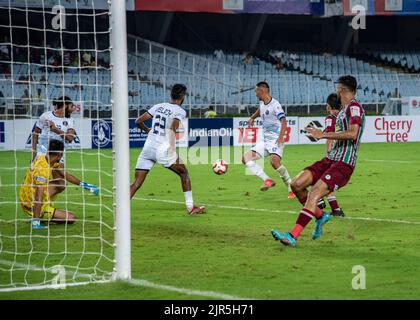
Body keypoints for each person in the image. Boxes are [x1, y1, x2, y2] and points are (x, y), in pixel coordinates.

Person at [271, 75, 365, 246]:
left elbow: (353, 134)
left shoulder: (355, 107)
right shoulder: (343, 110)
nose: (336, 90)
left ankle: (292, 236)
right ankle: (321, 217)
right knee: (296, 185)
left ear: (342, 89)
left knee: (314, 193)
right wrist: (323, 132)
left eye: (338, 87)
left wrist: (323, 134)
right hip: (330, 160)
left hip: (343, 164)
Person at [130, 84, 205, 215]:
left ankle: (120, 208)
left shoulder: (158, 106)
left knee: (136, 182)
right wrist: (171, 146)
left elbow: (138, 121)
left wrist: (147, 130)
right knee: (184, 173)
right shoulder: (180, 111)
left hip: (148, 148)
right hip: (162, 148)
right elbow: (173, 127)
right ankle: (190, 207)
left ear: (171, 95)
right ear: (183, 97)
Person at [31, 96, 99, 196]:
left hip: (58, 154)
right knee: (46, 178)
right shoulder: (45, 116)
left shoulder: (70, 121)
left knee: (60, 184)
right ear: (65, 106)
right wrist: (34, 153)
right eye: (72, 106)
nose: (73, 109)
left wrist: (55, 129)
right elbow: (35, 134)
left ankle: (39, 199)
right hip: (43, 153)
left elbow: (70, 138)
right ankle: (37, 200)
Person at [242, 81, 295, 198]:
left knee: (274, 162)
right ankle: (267, 180)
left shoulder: (275, 105)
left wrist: (281, 137)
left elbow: (284, 121)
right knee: (245, 158)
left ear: (263, 91)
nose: (256, 94)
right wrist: (252, 118)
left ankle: (291, 187)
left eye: (257, 91)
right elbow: (260, 110)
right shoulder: (262, 102)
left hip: (276, 140)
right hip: (265, 141)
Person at [19, 139, 76, 229]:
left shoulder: (45, 158)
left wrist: (83, 184)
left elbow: (64, 174)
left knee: (61, 183)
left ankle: (43, 213)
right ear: (59, 155)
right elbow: (38, 196)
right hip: (30, 204)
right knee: (71, 218)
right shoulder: (42, 170)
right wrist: (35, 222)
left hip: (28, 195)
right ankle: (38, 217)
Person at [317, 93, 345, 217]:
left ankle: (319, 200)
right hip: (343, 153)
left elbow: (330, 134)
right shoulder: (343, 116)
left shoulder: (330, 117)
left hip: (333, 154)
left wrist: (327, 153)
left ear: (328, 105)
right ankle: (336, 210)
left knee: (319, 178)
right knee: (327, 181)